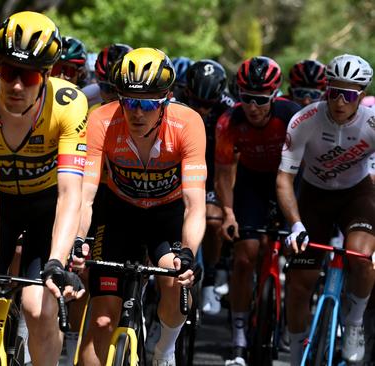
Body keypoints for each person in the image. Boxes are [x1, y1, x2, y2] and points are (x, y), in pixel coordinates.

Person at [0, 11, 86, 366]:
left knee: (39, 305)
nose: (16, 85)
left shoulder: (69, 104)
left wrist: (58, 261)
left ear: (47, 74)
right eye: (7, 71)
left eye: (28, 75)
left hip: (44, 208)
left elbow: (69, 194)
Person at [77, 48, 206, 366]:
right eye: (129, 101)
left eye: (148, 104)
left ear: (167, 99)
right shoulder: (101, 120)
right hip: (119, 212)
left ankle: (164, 350)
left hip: (167, 214)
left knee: (174, 280)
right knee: (103, 321)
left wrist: (189, 253)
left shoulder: (187, 123)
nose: (137, 112)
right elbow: (84, 195)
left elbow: (194, 203)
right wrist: (78, 240)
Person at [277, 54, 375, 364]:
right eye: (334, 92)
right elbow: (284, 180)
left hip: (356, 196)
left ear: (360, 95)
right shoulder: (304, 120)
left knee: (360, 258)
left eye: (348, 95)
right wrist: (296, 225)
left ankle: (355, 322)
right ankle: (295, 355)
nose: (340, 101)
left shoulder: (371, 124)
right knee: (298, 285)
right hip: (314, 198)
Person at [215, 56, 300, 365]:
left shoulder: (292, 117)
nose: (252, 107)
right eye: (245, 98)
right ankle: (238, 336)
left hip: (289, 181)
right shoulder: (229, 121)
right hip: (250, 183)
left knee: (296, 254)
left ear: (274, 96)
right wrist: (228, 213)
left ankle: (292, 322)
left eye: (260, 100)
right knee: (244, 255)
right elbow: (224, 172)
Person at [181, 59, 235, 315]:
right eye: (197, 103)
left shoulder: (229, 109)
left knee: (213, 221)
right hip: (180, 166)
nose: (202, 110)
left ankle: (211, 278)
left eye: (208, 105)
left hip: (213, 169)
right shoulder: (176, 98)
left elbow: (229, 164)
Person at [81, 43, 133, 108]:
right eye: (106, 87)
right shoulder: (85, 97)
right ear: (97, 82)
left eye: (120, 87)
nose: (112, 94)